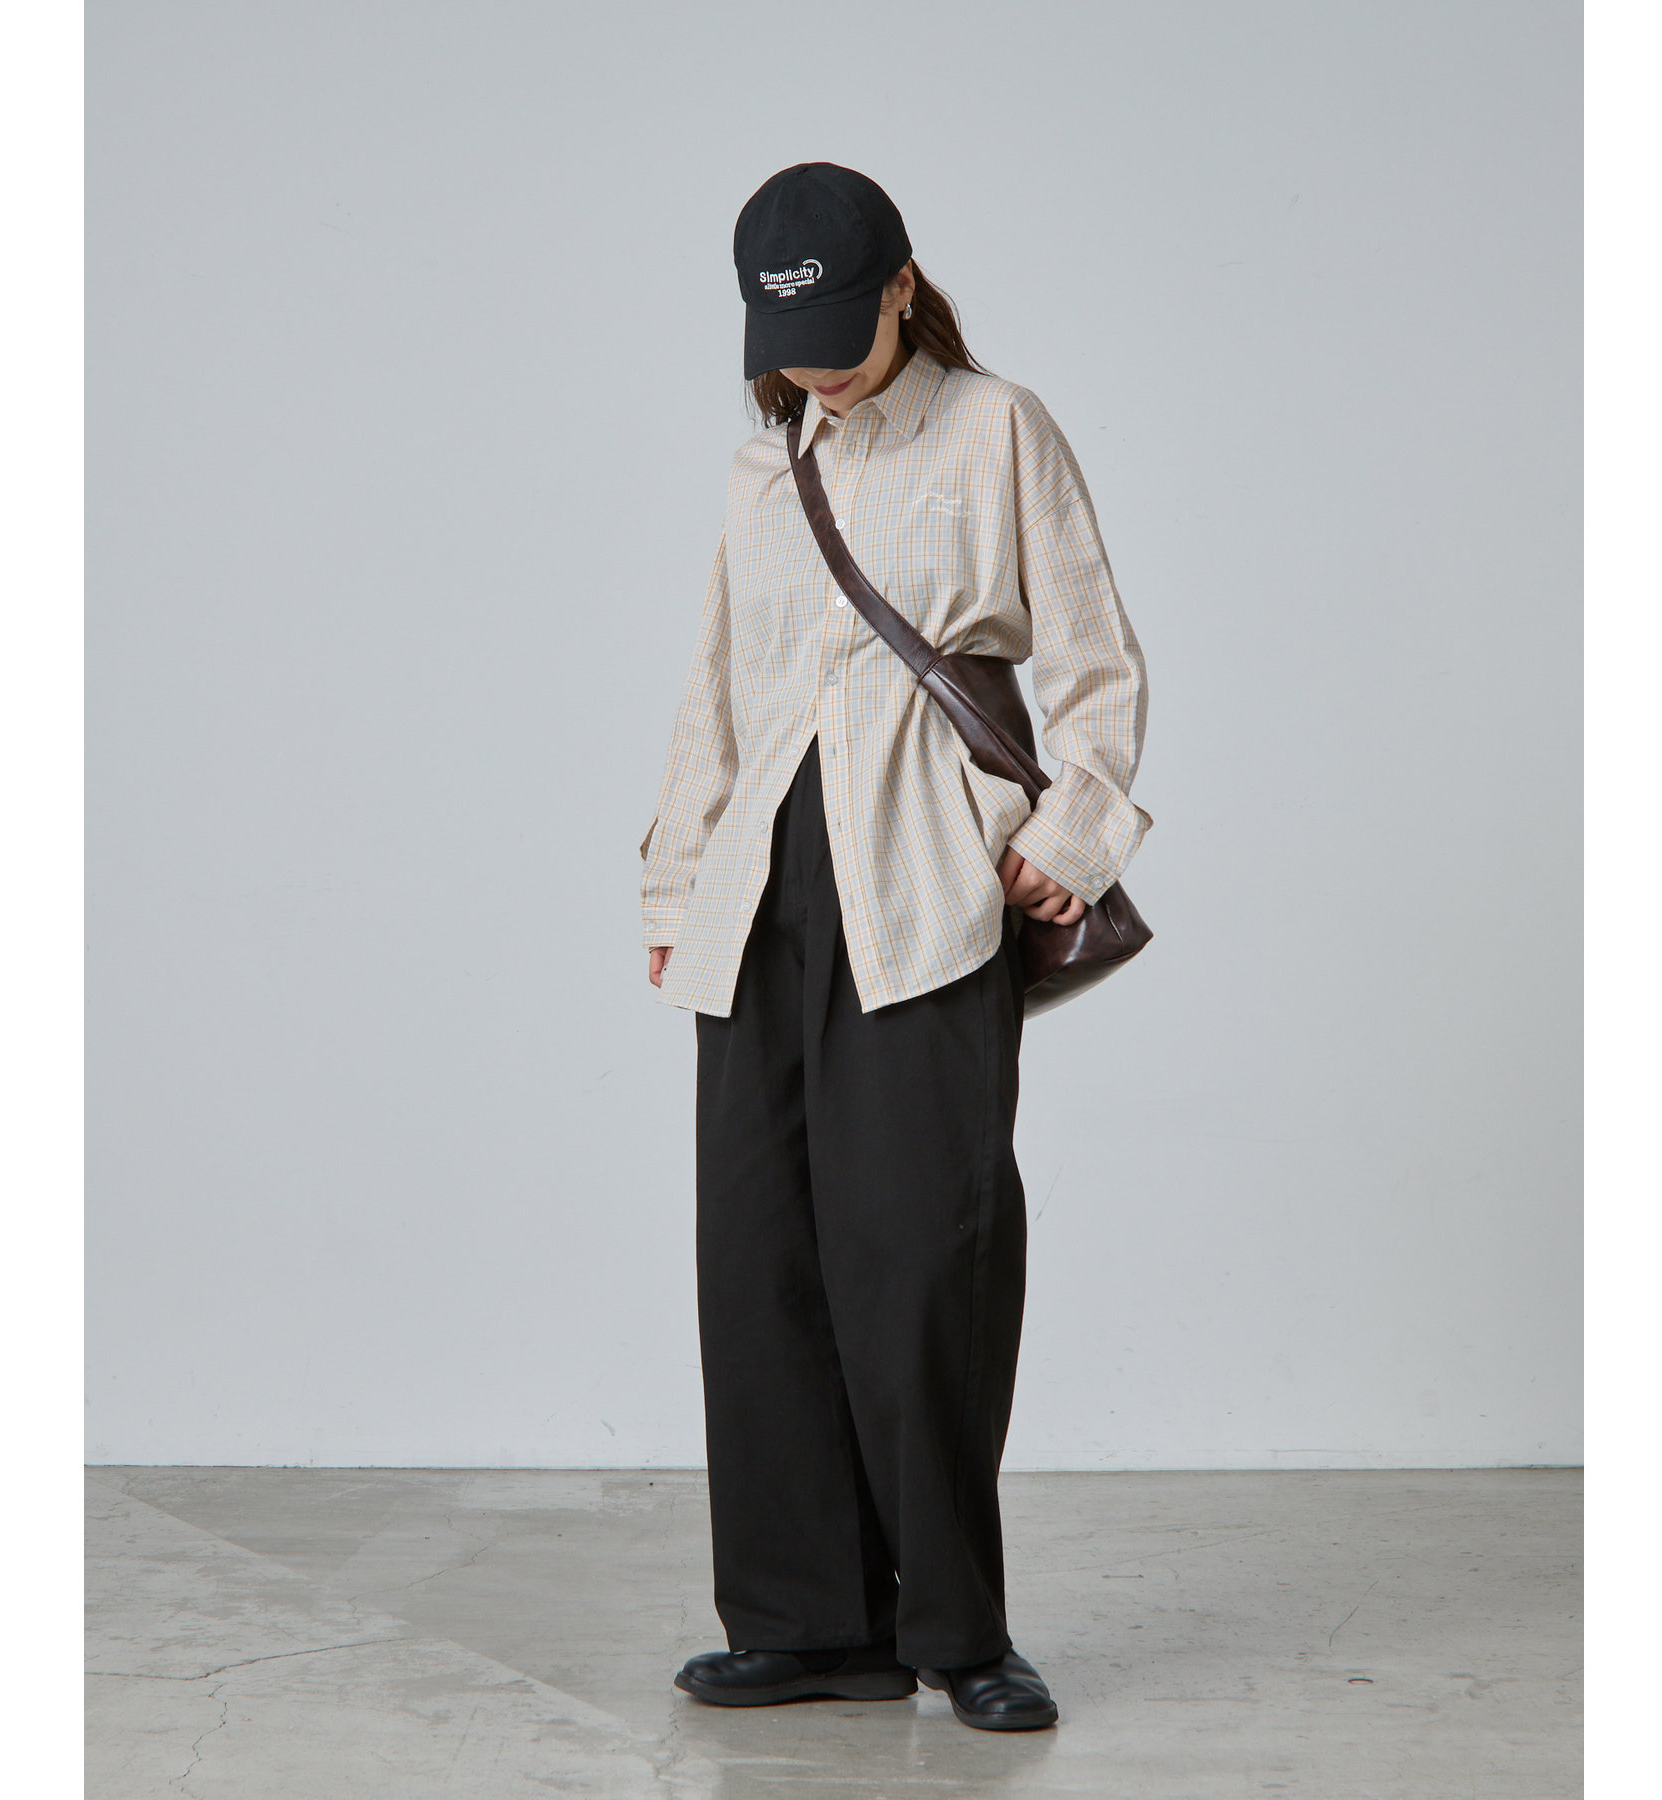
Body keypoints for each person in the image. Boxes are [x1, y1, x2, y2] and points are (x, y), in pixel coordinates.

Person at [639, 162, 1150, 1732]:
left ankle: (959, 1632)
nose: (816, 369)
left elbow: (1095, 662)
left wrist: (1071, 836)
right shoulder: (761, 469)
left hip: (926, 892)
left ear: (905, 288)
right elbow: (719, 691)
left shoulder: (997, 429)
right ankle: (806, 1625)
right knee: (764, 1266)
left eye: (841, 334)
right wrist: (677, 892)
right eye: (787, 345)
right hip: (759, 902)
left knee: (925, 1264)